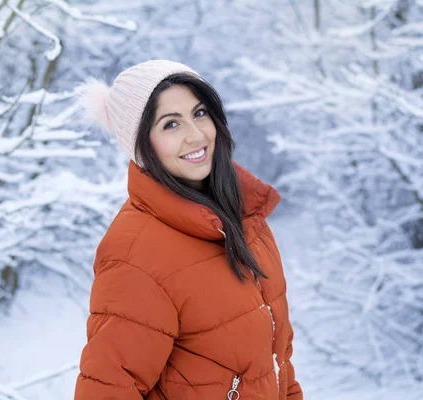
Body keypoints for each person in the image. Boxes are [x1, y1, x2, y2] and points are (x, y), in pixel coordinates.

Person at [73, 60, 302, 400]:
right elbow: (106, 390)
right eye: (170, 125)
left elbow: (275, 363)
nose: (195, 135)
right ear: (142, 146)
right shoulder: (134, 256)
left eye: (199, 113)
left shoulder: (245, 217)